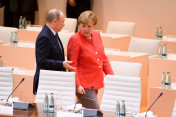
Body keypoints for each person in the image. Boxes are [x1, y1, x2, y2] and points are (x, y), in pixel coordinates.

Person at [67, 11, 114, 109]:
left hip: (95, 82)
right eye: (83, 26)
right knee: (95, 112)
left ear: (94, 26)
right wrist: (78, 85)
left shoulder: (96, 35)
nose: (86, 29)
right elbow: (72, 65)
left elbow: (103, 58)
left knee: (84, 112)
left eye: (89, 26)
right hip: (83, 85)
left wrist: (112, 77)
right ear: (79, 25)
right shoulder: (75, 39)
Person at [33, 9, 75, 95]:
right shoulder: (44, 36)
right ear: (55, 21)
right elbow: (41, 61)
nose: (64, 24)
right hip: (46, 82)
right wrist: (61, 64)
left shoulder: (54, 33)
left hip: (53, 81)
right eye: (62, 21)